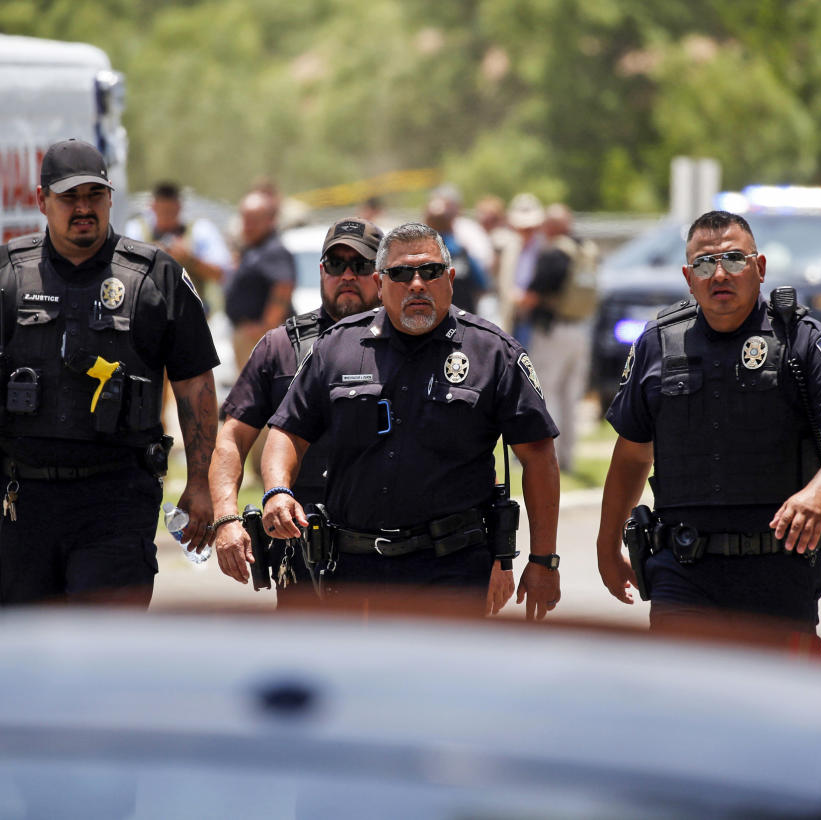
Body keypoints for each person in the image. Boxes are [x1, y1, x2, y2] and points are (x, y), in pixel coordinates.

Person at [0, 139, 219, 617]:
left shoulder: (155, 278)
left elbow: (195, 386)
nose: (83, 208)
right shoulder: (1, 274)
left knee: (101, 649)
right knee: (27, 656)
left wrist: (202, 483)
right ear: (42, 201)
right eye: (69, 197)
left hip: (117, 499)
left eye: (94, 194)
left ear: (109, 198)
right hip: (24, 502)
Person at [595, 210, 821, 644]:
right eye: (705, 264)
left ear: (759, 268)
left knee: (780, 706)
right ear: (689, 278)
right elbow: (632, 454)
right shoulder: (657, 343)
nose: (719, 273)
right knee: (683, 704)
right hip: (682, 572)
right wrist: (606, 544)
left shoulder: (800, 336)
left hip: (777, 573)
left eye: (734, 259)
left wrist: (819, 492)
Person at [261, 223, 562, 619]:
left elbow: (538, 456)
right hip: (354, 570)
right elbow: (286, 431)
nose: (417, 284)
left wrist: (543, 561)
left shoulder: (493, 352)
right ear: (379, 282)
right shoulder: (338, 347)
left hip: (451, 570)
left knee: (440, 683)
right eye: (401, 274)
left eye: (430, 272)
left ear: (450, 279)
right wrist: (277, 490)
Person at [210, 217, 384, 606]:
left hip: (390, 545)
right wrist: (225, 517)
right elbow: (232, 437)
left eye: (361, 265)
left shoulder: (408, 344)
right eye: (336, 265)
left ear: (382, 273)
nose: (348, 275)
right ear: (322, 271)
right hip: (304, 541)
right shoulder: (281, 346)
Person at [518, 203, 596, 472]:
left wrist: (515, 304)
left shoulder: (555, 253)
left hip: (554, 331)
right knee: (570, 397)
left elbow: (533, 293)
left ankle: (548, 458)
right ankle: (567, 460)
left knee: (547, 393)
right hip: (580, 329)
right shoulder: (585, 249)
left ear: (550, 227)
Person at [124, 181, 232, 311]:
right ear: (153, 207)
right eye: (162, 211)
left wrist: (189, 259)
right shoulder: (136, 230)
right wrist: (151, 254)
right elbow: (122, 268)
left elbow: (221, 274)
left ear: (179, 207)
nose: (167, 216)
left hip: (191, 314)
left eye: (171, 211)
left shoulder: (200, 230)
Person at [224, 190, 296, 375]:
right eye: (245, 220)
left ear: (269, 220)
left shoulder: (273, 250)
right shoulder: (253, 249)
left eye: (254, 220)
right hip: (251, 337)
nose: (248, 226)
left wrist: (263, 329)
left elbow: (283, 287)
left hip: (261, 339)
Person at [497, 193, 546, 345]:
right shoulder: (509, 248)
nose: (526, 231)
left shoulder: (544, 248)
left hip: (537, 319)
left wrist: (532, 297)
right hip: (513, 316)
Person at [425, 196, 487, 313]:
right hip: (462, 318)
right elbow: (481, 285)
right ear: (450, 223)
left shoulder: (419, 253)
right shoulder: (461, 250)